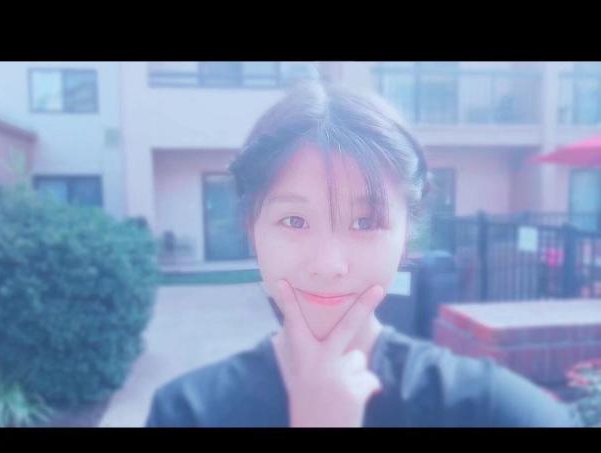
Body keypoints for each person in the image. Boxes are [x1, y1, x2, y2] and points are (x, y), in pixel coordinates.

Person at [145, 81, 581, 427]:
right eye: (294, 221)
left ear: (407, 236)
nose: (329, 265)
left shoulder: (493, 411)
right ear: (251, 229)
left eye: (365, 222)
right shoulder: (187, 413)